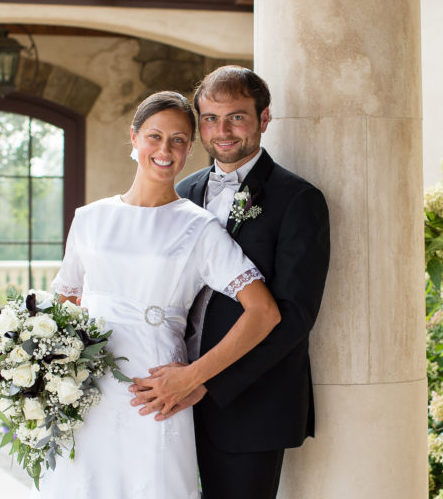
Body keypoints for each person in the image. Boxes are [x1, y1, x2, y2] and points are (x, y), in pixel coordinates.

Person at [33, 91, 281, 498]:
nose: (165, 150)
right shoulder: (89, 218)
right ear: (133, 138)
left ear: (189, 149)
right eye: (154, 136)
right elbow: (64, 304)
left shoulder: (199, 228)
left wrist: (194, 375)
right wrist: (48, 381)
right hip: (86, 390)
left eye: (179, 140)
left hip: (155, 391)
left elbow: (264, 312)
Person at [130, 66, 331, 499]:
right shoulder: (182, 191)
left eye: (236, 117)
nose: (222, 131)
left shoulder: (298, 200)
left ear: (264, 119)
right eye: (209, 118)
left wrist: (204, 380)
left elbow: (295, 317)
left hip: (250, 404)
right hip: (171, 394)